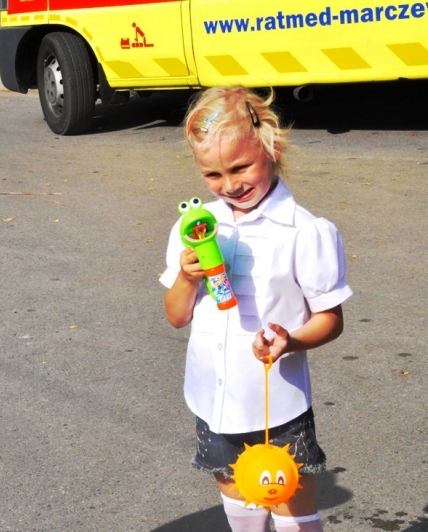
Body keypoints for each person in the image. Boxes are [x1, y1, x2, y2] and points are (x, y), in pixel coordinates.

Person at [159, 86, 352, 532]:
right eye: (212, 174)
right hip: (213, 401)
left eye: (240, 167)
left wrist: (290, 340)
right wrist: (187, 278)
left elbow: (330, 319)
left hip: (278, 407)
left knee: (293, 516)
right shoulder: (195, 228)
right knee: (241, 508)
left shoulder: (305, 231)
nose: (229, 185)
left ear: (272, 149)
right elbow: (176, 316)